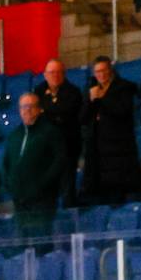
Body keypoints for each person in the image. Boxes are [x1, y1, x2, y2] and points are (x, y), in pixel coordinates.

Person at [80, 57, 141, 204]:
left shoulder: (124, 87)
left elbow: (122, 111)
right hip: (97, 150)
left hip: (119, 148)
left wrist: (102, 99)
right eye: (97, 72)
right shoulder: (91, 90)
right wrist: (91, 100)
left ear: (111, 71)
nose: (101, 75)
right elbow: (83, 118)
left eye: (104, 71)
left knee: (118, 195)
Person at [3, 92, 66, 235]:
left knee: (42, 241)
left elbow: (59, 161)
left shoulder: (50, 132)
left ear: (39, 109)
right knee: (23, 242)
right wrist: (10, 184)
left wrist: (41, 184)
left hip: (42, 199)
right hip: (20, 200)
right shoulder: (15, 135)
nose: (27, 110)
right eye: (24, 107)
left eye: (31, 106)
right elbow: (6, 163)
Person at [33, 59, 85, 205]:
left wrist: (46, 111)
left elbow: (67, 113)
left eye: (58, 72)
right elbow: (38, 115)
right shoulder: (38, 91)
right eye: (51, 72)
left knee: (68, 189)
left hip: (67, 147)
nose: (54, 75)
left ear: (64, 74)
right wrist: (55, 113)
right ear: (45, 75)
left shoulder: (73, 92)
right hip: (46, 149)